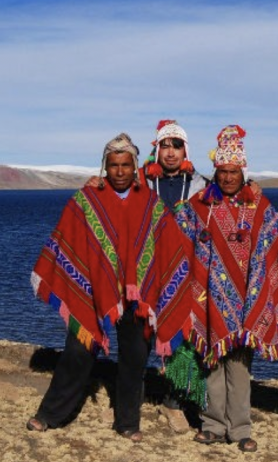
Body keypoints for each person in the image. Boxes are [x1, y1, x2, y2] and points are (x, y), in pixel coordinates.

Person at [26, 133, 192, 443]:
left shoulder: (150, 204)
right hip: (94, 293)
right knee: (78, 351)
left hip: (138, 295)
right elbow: (68, 234)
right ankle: (50, 414)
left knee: (135, 356)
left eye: (125, 165)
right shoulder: (87, 199)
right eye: (113, 165)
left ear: (135, 167)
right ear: (105, 166)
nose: (119, 172)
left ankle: (127, 423)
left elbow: (168, 243)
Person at [160, 124, 278, 453]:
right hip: (207, 300)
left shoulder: (257, 206)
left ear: (242, 172)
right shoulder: (200, 206)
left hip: (247, 302)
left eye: (233, 172)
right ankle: (213, 424)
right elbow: (172, 237)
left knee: (240, 368)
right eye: (223, 171)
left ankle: (241, 428)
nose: (228, 178)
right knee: (211, 365)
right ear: (216, 172)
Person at [85, 119, 209, 433]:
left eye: (176, 146)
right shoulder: (140, 179)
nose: (170, 152)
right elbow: (112, 188)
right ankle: (128, 401)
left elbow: (229, 197)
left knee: (183, 340)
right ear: (157, 149)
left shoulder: (201, 186)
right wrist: (94, 184)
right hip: (141, 272)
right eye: (164, 145)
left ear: (185, 150)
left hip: (183, 271)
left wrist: (251, 184)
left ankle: (174, 403)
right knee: (137, 342)